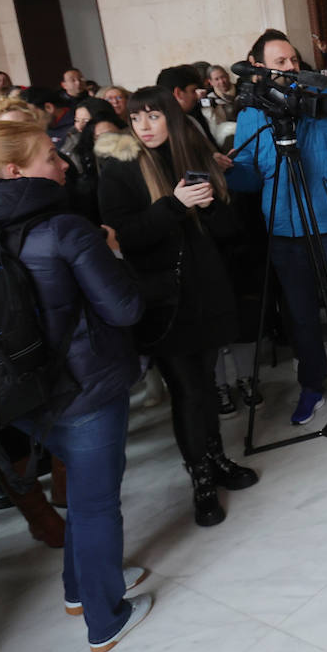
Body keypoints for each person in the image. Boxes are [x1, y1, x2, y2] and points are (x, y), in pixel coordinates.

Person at [0, 120, 154, 652]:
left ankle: (78, 589)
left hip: (20, 392)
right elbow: (125, 307)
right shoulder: (64, 229)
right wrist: (111, 251)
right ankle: (105, 617)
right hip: (85, 390)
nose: (64, 163)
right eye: (52, 155)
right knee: (95, 505)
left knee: (85, 502)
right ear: (17, 171)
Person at [98, 87, 260, 527]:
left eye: (153, 116)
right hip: (161, 299)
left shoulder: (194, 154)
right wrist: (174, 205)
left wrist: (208, 207)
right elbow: (125, 237)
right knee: (186, 391)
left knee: (205, 385)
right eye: (136, 119)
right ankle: (201, 479)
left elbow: (229, 230)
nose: (145, 126)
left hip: (205, 289)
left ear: (171, 117)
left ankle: (217, 459)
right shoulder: (120, 168)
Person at [232, 29, 327, 422]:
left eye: (293, 60)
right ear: (259, 67)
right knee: (300, 314)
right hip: (284, 229)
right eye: (280, 62)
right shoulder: (252, 111)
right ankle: (312, 385)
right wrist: (227, 172)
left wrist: (324, 107)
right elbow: (251, 176)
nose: (290, 68)